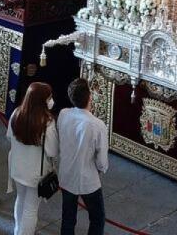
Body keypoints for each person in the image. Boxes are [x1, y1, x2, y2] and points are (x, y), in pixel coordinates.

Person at [57, 78, 109, 235]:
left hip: (66, 174)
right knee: (97, 217)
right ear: (89, 97)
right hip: (88, 179)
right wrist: (102, 169)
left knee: (68, 218)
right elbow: (101, 161)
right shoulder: (97, 125)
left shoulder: (63, 114)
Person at [7, 82, 58, 235]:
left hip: (17, 168)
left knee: (20, 199)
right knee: (31, 208)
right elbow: (52, 151)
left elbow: (9, 136)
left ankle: (18, 231)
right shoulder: (47, 123)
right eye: (49, 97)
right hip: (36, 174)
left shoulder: (16, 113)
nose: (51, 100)